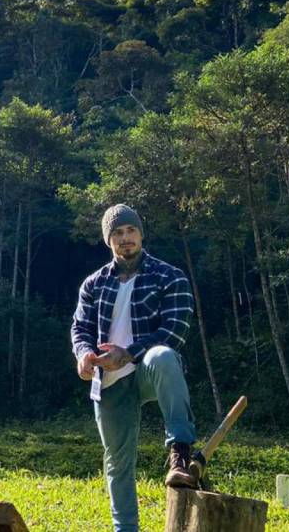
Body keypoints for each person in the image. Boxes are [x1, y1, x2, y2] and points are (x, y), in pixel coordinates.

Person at [71, 204, 198, 532]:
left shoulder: (169, 276)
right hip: (108, 379)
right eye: (117, 233)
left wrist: (127, 354)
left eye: (130, 231)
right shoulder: (94, 284)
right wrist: (83, 355)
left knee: (164, 357)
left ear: (141, 234)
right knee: (117, 464)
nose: (125, 238)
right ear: (108, 240)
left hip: (145, 370)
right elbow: (80, 328)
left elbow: (175, 329)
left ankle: (180, 453)